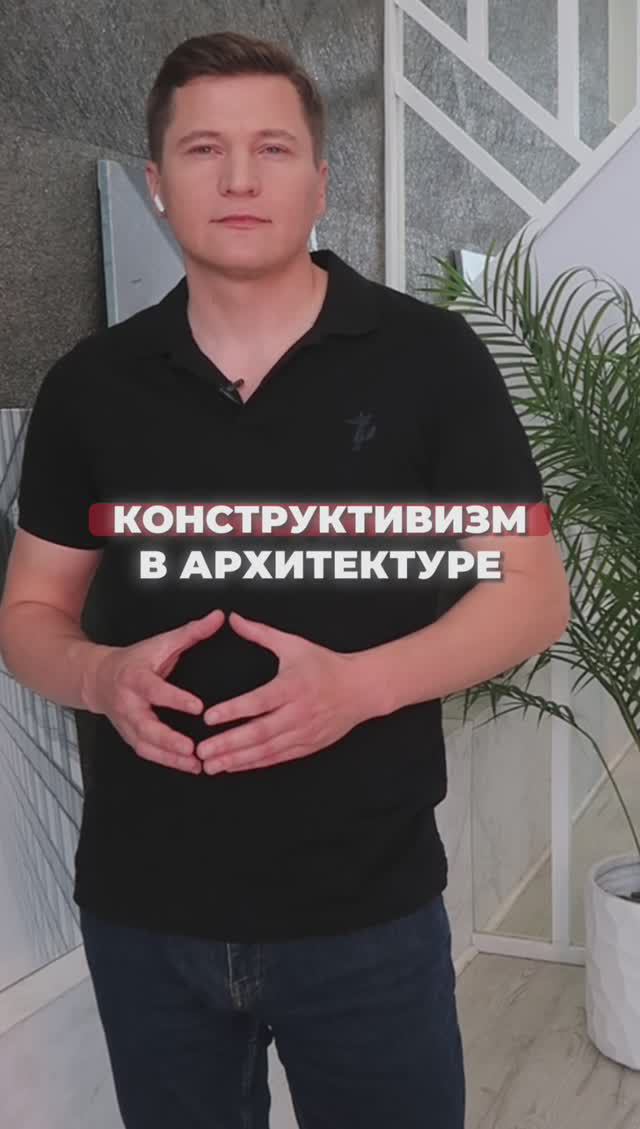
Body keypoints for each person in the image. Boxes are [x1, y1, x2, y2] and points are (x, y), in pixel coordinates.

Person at [0, 29, 570, 1129]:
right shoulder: (90, 387)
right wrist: (98, 675)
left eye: (271, 148)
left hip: (367, 909)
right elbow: (29, 614)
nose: (240, 178)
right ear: (158, 183)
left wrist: (357, 686)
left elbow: (530, 593)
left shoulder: (430, 360)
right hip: (145, 910)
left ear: (320, 180)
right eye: (204, 149)